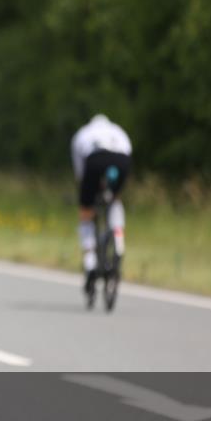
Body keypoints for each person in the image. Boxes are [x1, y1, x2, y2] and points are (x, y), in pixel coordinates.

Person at [70, 114, 132, 295]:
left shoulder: (82, 134)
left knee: (86, 211)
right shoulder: (118, 131)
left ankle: (90, 260)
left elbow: (80, 171)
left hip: (95, 159)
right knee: (115, 199)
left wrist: (86, 193)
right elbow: (128, 153)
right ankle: (118, 240)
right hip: (121, 160)